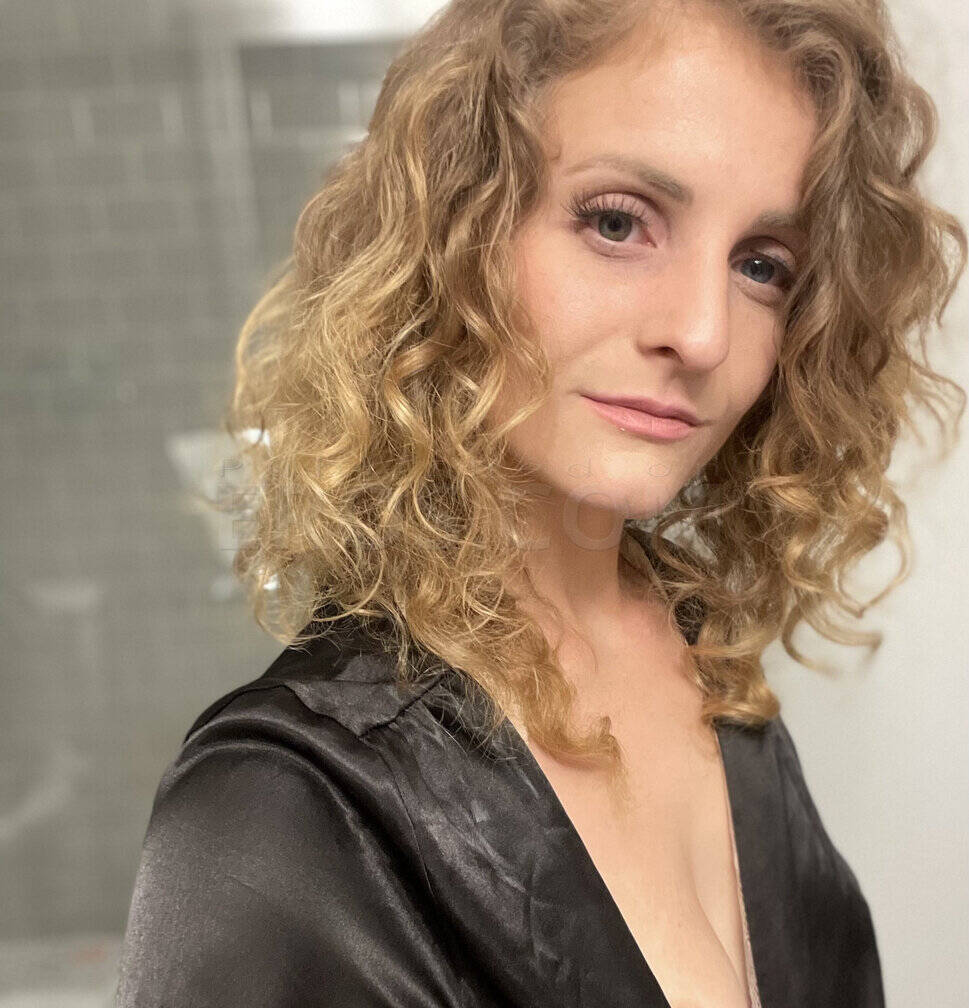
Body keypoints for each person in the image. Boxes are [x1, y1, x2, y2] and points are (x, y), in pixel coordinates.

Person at [115, 0, 965, 1006]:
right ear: (453, 228)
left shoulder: (705, 660)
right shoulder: (277, 816)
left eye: (760, 265)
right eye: (617, 222)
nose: (702, 333)